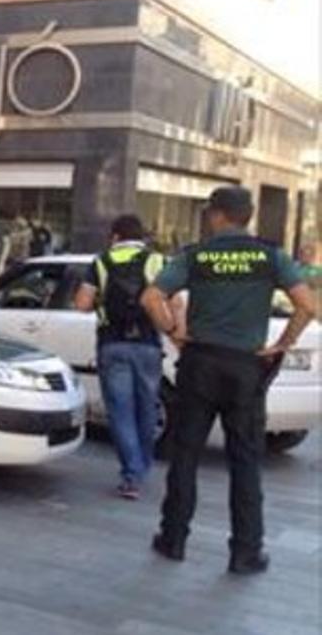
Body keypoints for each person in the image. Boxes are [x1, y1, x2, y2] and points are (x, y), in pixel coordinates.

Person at [141, 186, 317, 575]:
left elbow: (151, 298)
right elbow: (307, 305)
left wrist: (173, 333)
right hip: (245, 367)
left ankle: (173, 540)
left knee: (185, 455)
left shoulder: (197, 255)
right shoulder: (270, 255)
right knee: (246, 461)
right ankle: (245, 552)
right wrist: (281, 345)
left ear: (216, 215)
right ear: (249, 215)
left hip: (200, 362)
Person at [73, 215, 166, 500]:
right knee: (148, 408)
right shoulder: (156, 261)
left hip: (112, 343)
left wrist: (101, 302)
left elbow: (81, 304)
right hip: (148, 344)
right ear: (142, 237)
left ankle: (131, 475)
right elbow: (172, 300)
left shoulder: (101, 262)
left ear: (115, 237)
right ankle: (142, 467)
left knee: (121, 411)